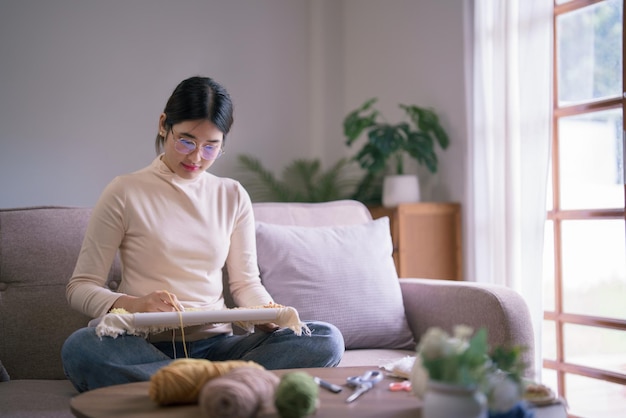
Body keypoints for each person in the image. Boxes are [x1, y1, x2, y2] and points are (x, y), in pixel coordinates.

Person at [61, 76, 344, 393]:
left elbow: (245, 283)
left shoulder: (232, 195)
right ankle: (226, 385)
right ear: (163, 125)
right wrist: (135, 304)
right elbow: (80, 287)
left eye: (211, 146)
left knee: (326, 339)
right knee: (81, 347)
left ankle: (182, 386)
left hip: (218, 347)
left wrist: (267, 312)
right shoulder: (124, 192)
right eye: (185, 141)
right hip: (144, 347)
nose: (196, 157)